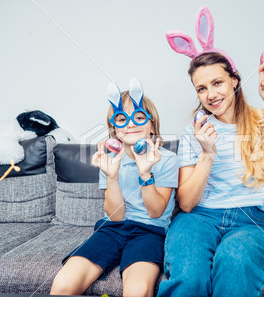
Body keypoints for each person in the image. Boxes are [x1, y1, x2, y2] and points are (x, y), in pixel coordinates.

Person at [157, 6, 264, 297]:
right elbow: (185, 203)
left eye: (217, 82)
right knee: (189, 275)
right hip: (198, 218)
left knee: (234, 262)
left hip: (250, 223)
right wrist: (207, 153)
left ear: (235, 80)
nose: (210, 94)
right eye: (201, 88)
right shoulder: (194, 131)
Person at [50, 79, 179, 296]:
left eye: (139, 117)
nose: (130, 123)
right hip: (112, 229)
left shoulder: (167, 159)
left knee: (137, 291)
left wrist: (145, 172)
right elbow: (116, 217)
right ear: (114, 130)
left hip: (150, 231)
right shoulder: (110, 160)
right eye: (122, 119)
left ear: (152, 125)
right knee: (63, 284)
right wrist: (111, 176)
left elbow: (156, 212)